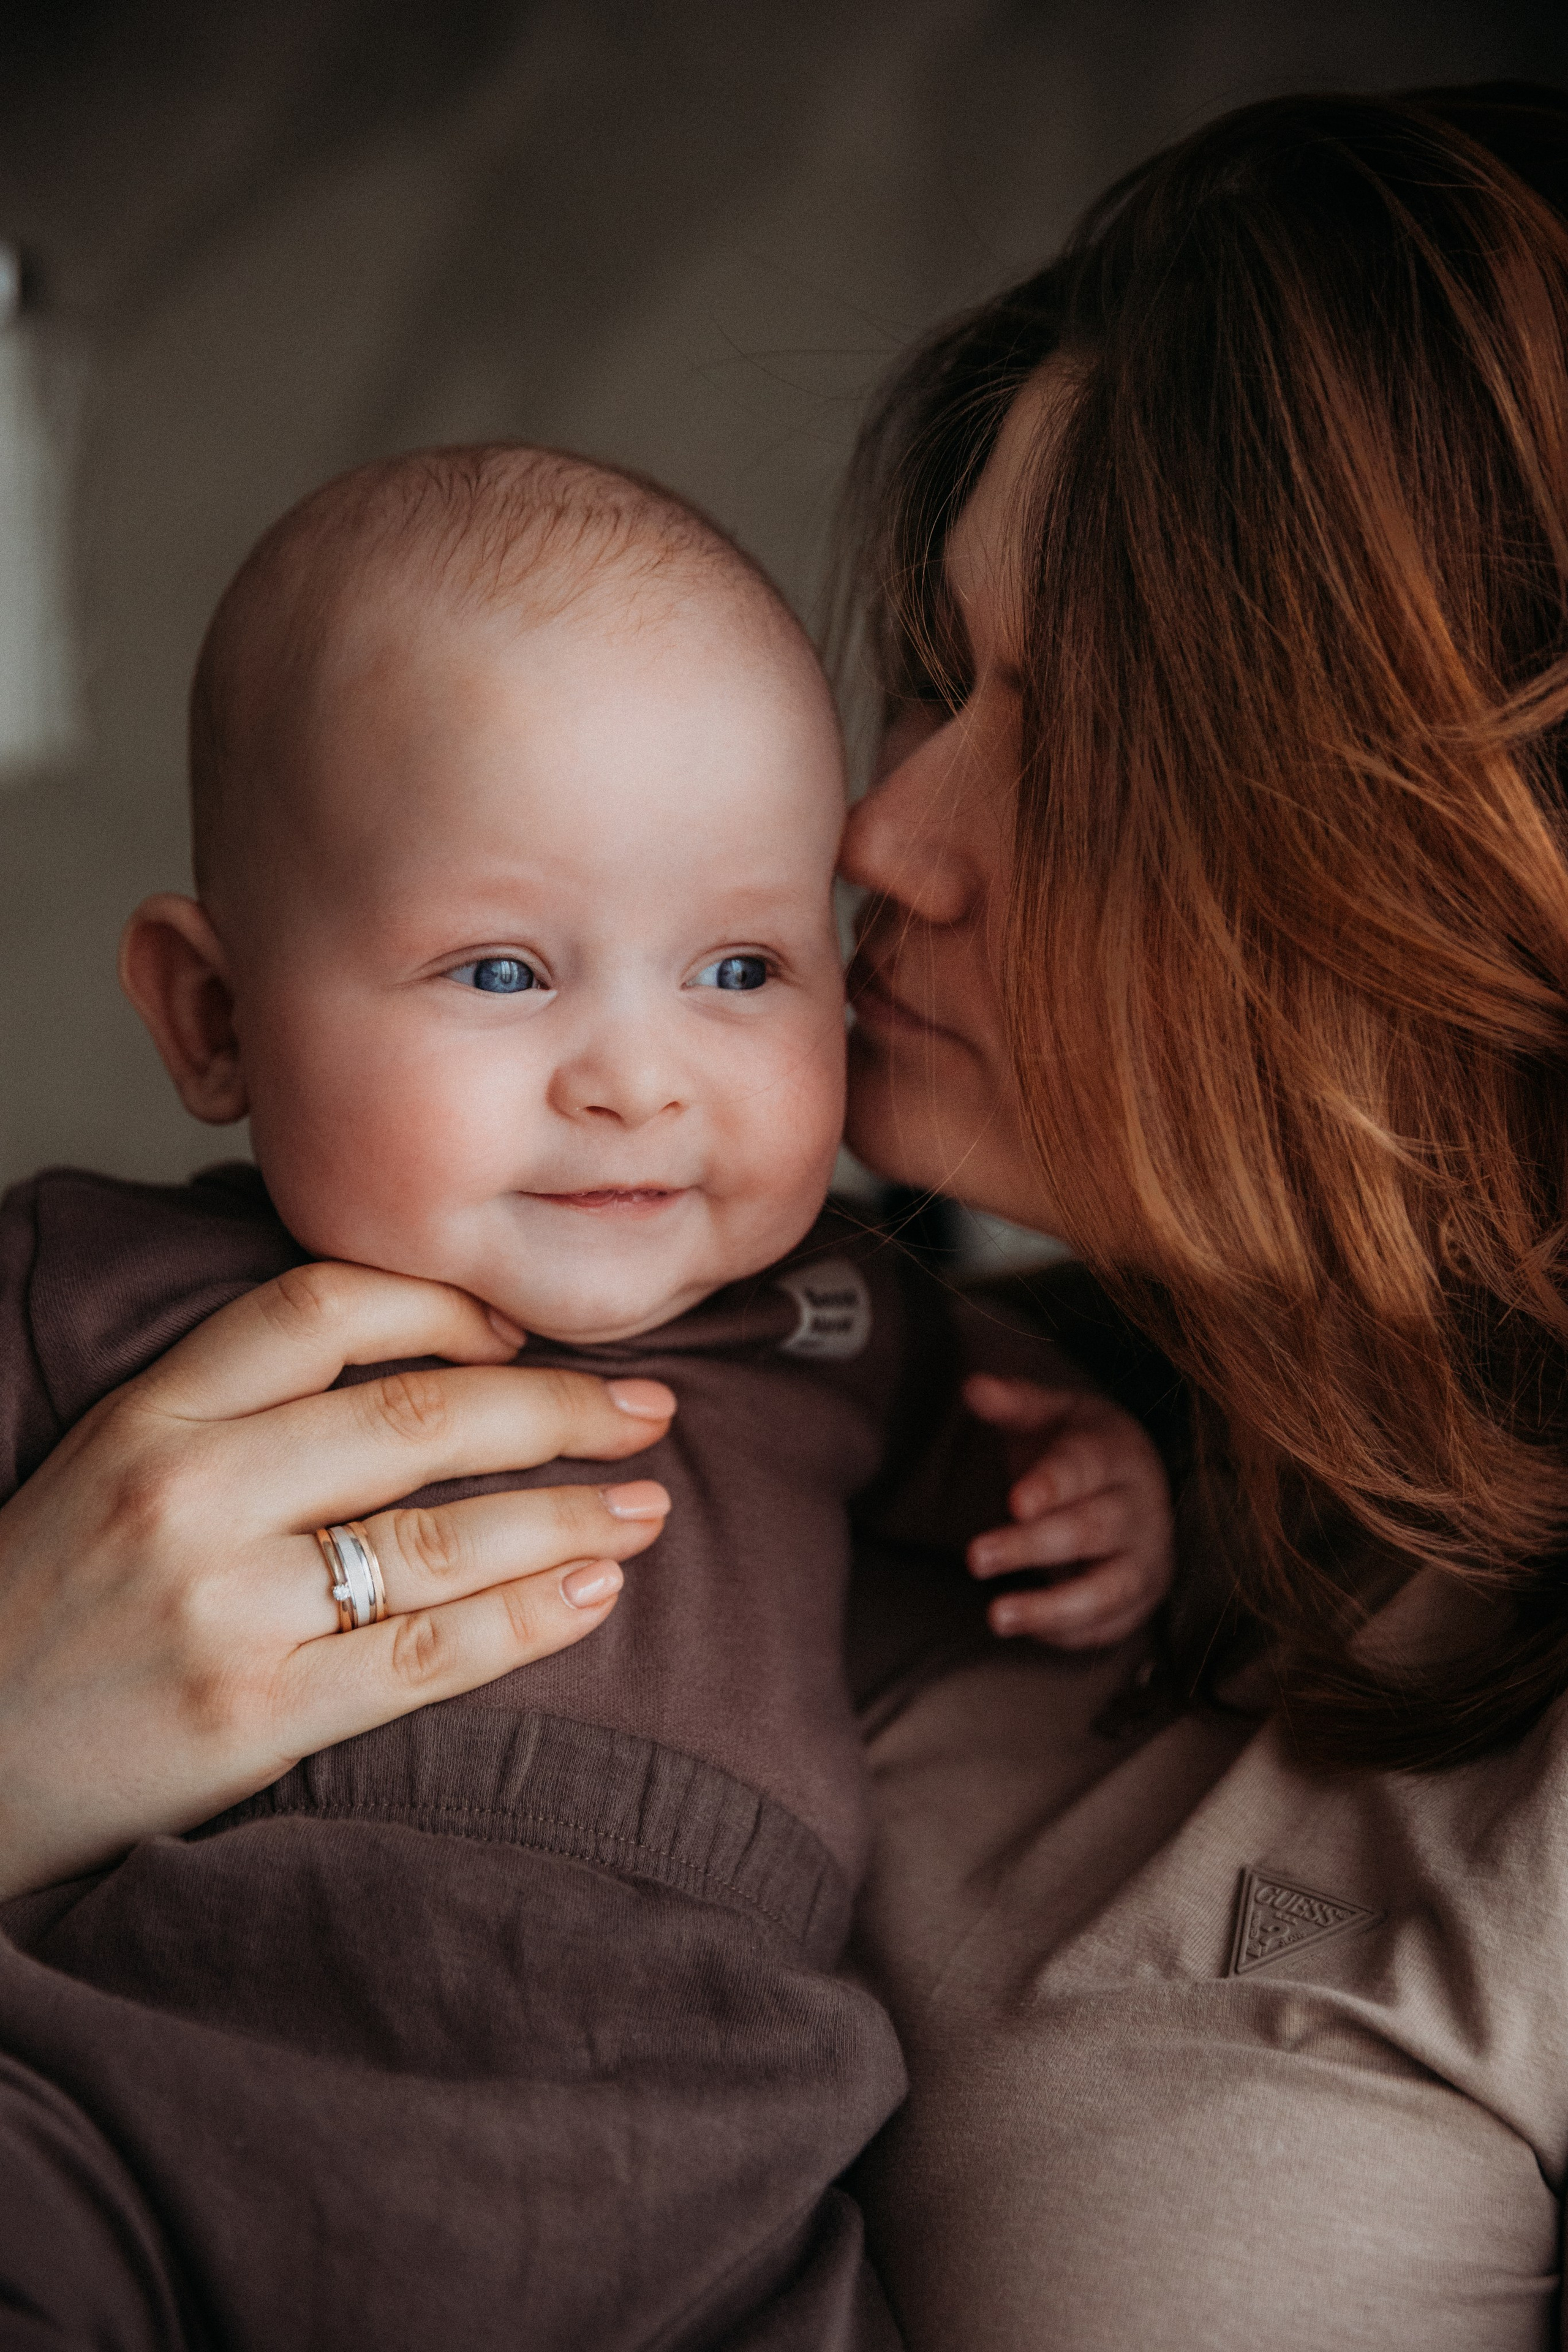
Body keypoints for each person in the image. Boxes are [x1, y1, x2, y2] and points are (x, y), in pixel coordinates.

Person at [6, 66, 1558, 2352]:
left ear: (1437, 852)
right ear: (212, 1013)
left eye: (1063, 712)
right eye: (934, 678)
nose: (872, 846)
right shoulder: (889, 1364)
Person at [0, 443, 1173, 2347]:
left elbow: (999, 1434)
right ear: (212, 1018)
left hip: (697, 2173)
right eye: (501, 967)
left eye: (738, 963)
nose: (639, 1076)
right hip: (137, 2112)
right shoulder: (96, 1291)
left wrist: (1097, 1481)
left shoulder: (842, 1325)